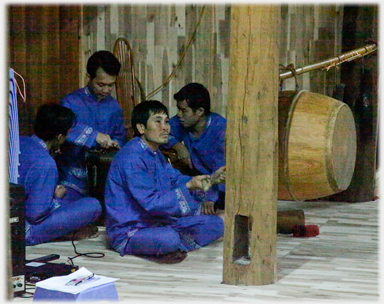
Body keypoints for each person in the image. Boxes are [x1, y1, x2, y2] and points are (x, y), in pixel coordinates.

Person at [104, 100, 225, 263]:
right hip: (131, 229)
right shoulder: (132, 158)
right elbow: (152, 203)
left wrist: (211, 180)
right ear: (141, 128)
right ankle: (167, 245)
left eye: (167, 122)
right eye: (157, 121)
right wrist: (189, 186)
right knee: (169, 238)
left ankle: (166, 247)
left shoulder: (155, 153)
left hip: (159, 222)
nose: (165, 127)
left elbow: (176, 180)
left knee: (215, 223)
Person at [18, 103, 102, 246]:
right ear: (59, 137)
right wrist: (55, 197)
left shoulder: (18, 142)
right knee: (93, 205)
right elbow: (35, 215)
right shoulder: (45, 162)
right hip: (22, 230)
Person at [55, 50, 127, 202]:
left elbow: (120, 136)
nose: (106, 90)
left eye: (111, 85)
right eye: (101, 84)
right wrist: (95, 136)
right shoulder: (71, 102)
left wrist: (115, 144)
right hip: (72, 175)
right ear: (88, 77)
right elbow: (62, 130)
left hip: (104, 177)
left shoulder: (114, 106)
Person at [163, 83, 226, 214]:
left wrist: (211, 196)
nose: (179, 115)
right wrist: (179, 146)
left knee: (215, 216)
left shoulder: (221, 130)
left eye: (184, 111)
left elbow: (223, 169)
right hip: (199, 179)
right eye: (178, 109)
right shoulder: (181, 122)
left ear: (200, 112)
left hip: (222, 185)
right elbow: (163, 134)